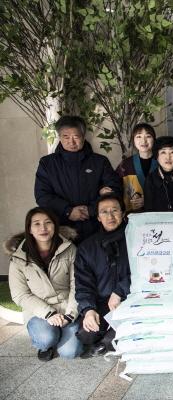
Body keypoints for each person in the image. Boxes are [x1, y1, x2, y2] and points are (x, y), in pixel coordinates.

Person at [7, 208, 82, 361]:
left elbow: (77, 284)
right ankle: (45, 344)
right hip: (39, 312)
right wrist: (49, 314)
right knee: (46, 338)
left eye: (48, 223)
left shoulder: (69, 249)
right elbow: (20, 294)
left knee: (70, 352)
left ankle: (61, 333)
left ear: (55, 226)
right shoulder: (18, 257)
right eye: (37, 224)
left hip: (67, 306)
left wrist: (70, 314)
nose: (43, 228)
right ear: (29, 229)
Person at [34, 115, 121, 242]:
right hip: (62, 229)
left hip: (97, 227)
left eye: (76, 137)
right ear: (59, 137)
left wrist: (91, 210)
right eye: (66, 137)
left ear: (83, 136)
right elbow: (42, 195)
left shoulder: (100, 162)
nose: (71, 142)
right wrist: (68, 211)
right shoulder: (47, 164)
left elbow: (115, 189)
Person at [75, 193, 130, 357]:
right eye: (104, 212)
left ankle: (108, 341)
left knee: (110, 341)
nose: (110, 216)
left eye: (115, 210)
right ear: (98, 217)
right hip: (102, 303)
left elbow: (144, 273)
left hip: (129, 299)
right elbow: (83, 283)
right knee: (86, 335)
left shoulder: (135, 238)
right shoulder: (87, 247)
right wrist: (88, 309)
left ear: (123, 213)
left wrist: (120, 291)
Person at [115, 123, 158, 213]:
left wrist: (149, 200)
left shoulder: (162, 163)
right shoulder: (125, 165)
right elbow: (115, 187)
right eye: (139, 136)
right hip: (132, 214)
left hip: (158, 213)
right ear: (133, 140)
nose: (143, 141)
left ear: (154, 139)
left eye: (148, 136)